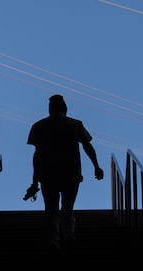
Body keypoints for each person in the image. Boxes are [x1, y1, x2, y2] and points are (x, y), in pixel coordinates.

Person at [26, 94, 104, 252]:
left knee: (51, 208)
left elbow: (37, 157)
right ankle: (68, 235)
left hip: (48, 174)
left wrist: (34, 182)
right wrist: (96, 166)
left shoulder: (38, 126)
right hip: (71, 173)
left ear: (49, 109)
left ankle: (53, 241)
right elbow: (87, 146)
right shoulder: (75, 124)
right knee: (67, 207)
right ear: (65, 109)